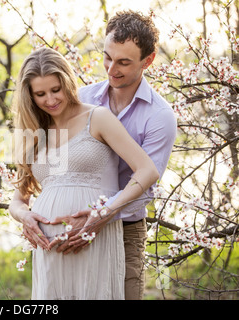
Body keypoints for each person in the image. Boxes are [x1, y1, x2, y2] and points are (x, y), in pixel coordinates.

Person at [8, 46, 159, 300]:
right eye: (40, 94)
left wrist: (105, 212)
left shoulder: (97, 117)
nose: (51, 99)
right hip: (49, 248)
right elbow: (17, 200)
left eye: (56, 90)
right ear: (29, 96)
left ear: (67, 82)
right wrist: (24, 216)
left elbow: (147, 171)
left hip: (93, 236)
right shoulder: (35, 133)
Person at [48, 10, 178, 300]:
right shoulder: (81, 98)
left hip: (126, 231)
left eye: (123, 62)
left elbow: (145, 182)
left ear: (148, 60)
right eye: (107, 56)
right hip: (75, 224)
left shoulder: (159, 117)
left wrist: (101, 215)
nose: (111, 69)